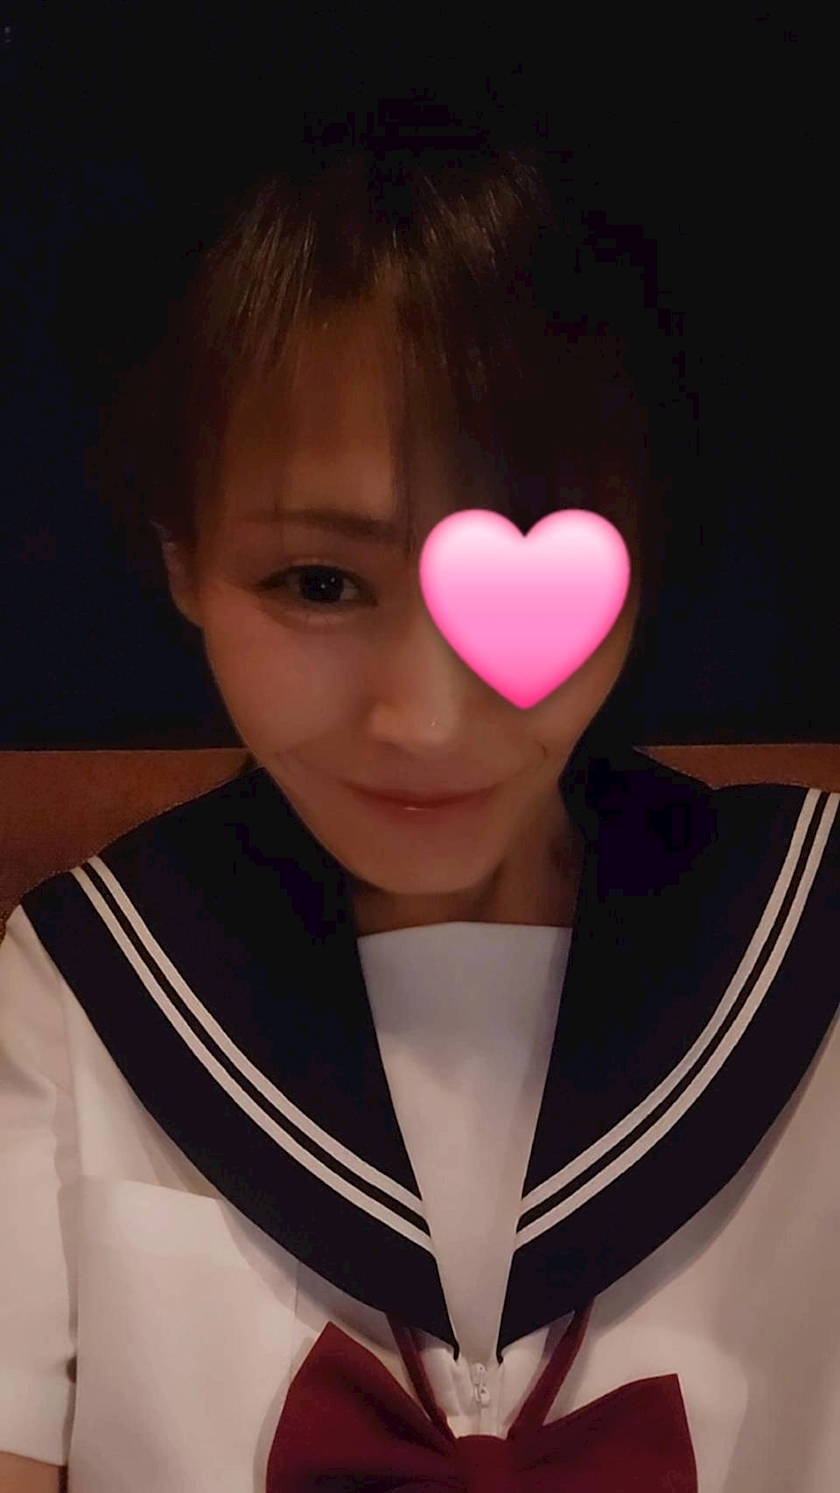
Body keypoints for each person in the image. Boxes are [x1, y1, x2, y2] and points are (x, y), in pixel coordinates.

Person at [1, 129, 838, 1493]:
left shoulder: (808, 943)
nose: (427, 719)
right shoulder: (76, 992)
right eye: (320, 584)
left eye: (516, 562)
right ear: (182, 560)